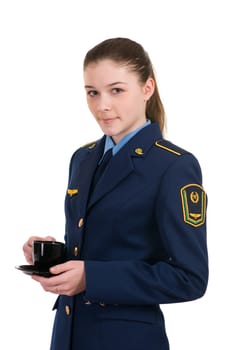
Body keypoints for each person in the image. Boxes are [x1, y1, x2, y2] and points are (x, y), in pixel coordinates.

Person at [23, 37, 208, 350]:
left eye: (116, 90)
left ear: (147, 88)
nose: (102, 105)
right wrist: (54, 256)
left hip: (127, 340)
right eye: (92, 93)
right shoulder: (83, 158)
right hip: (68, 335)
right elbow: (99, 249)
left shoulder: (173, 166)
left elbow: (189, 278)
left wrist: (91, 278)